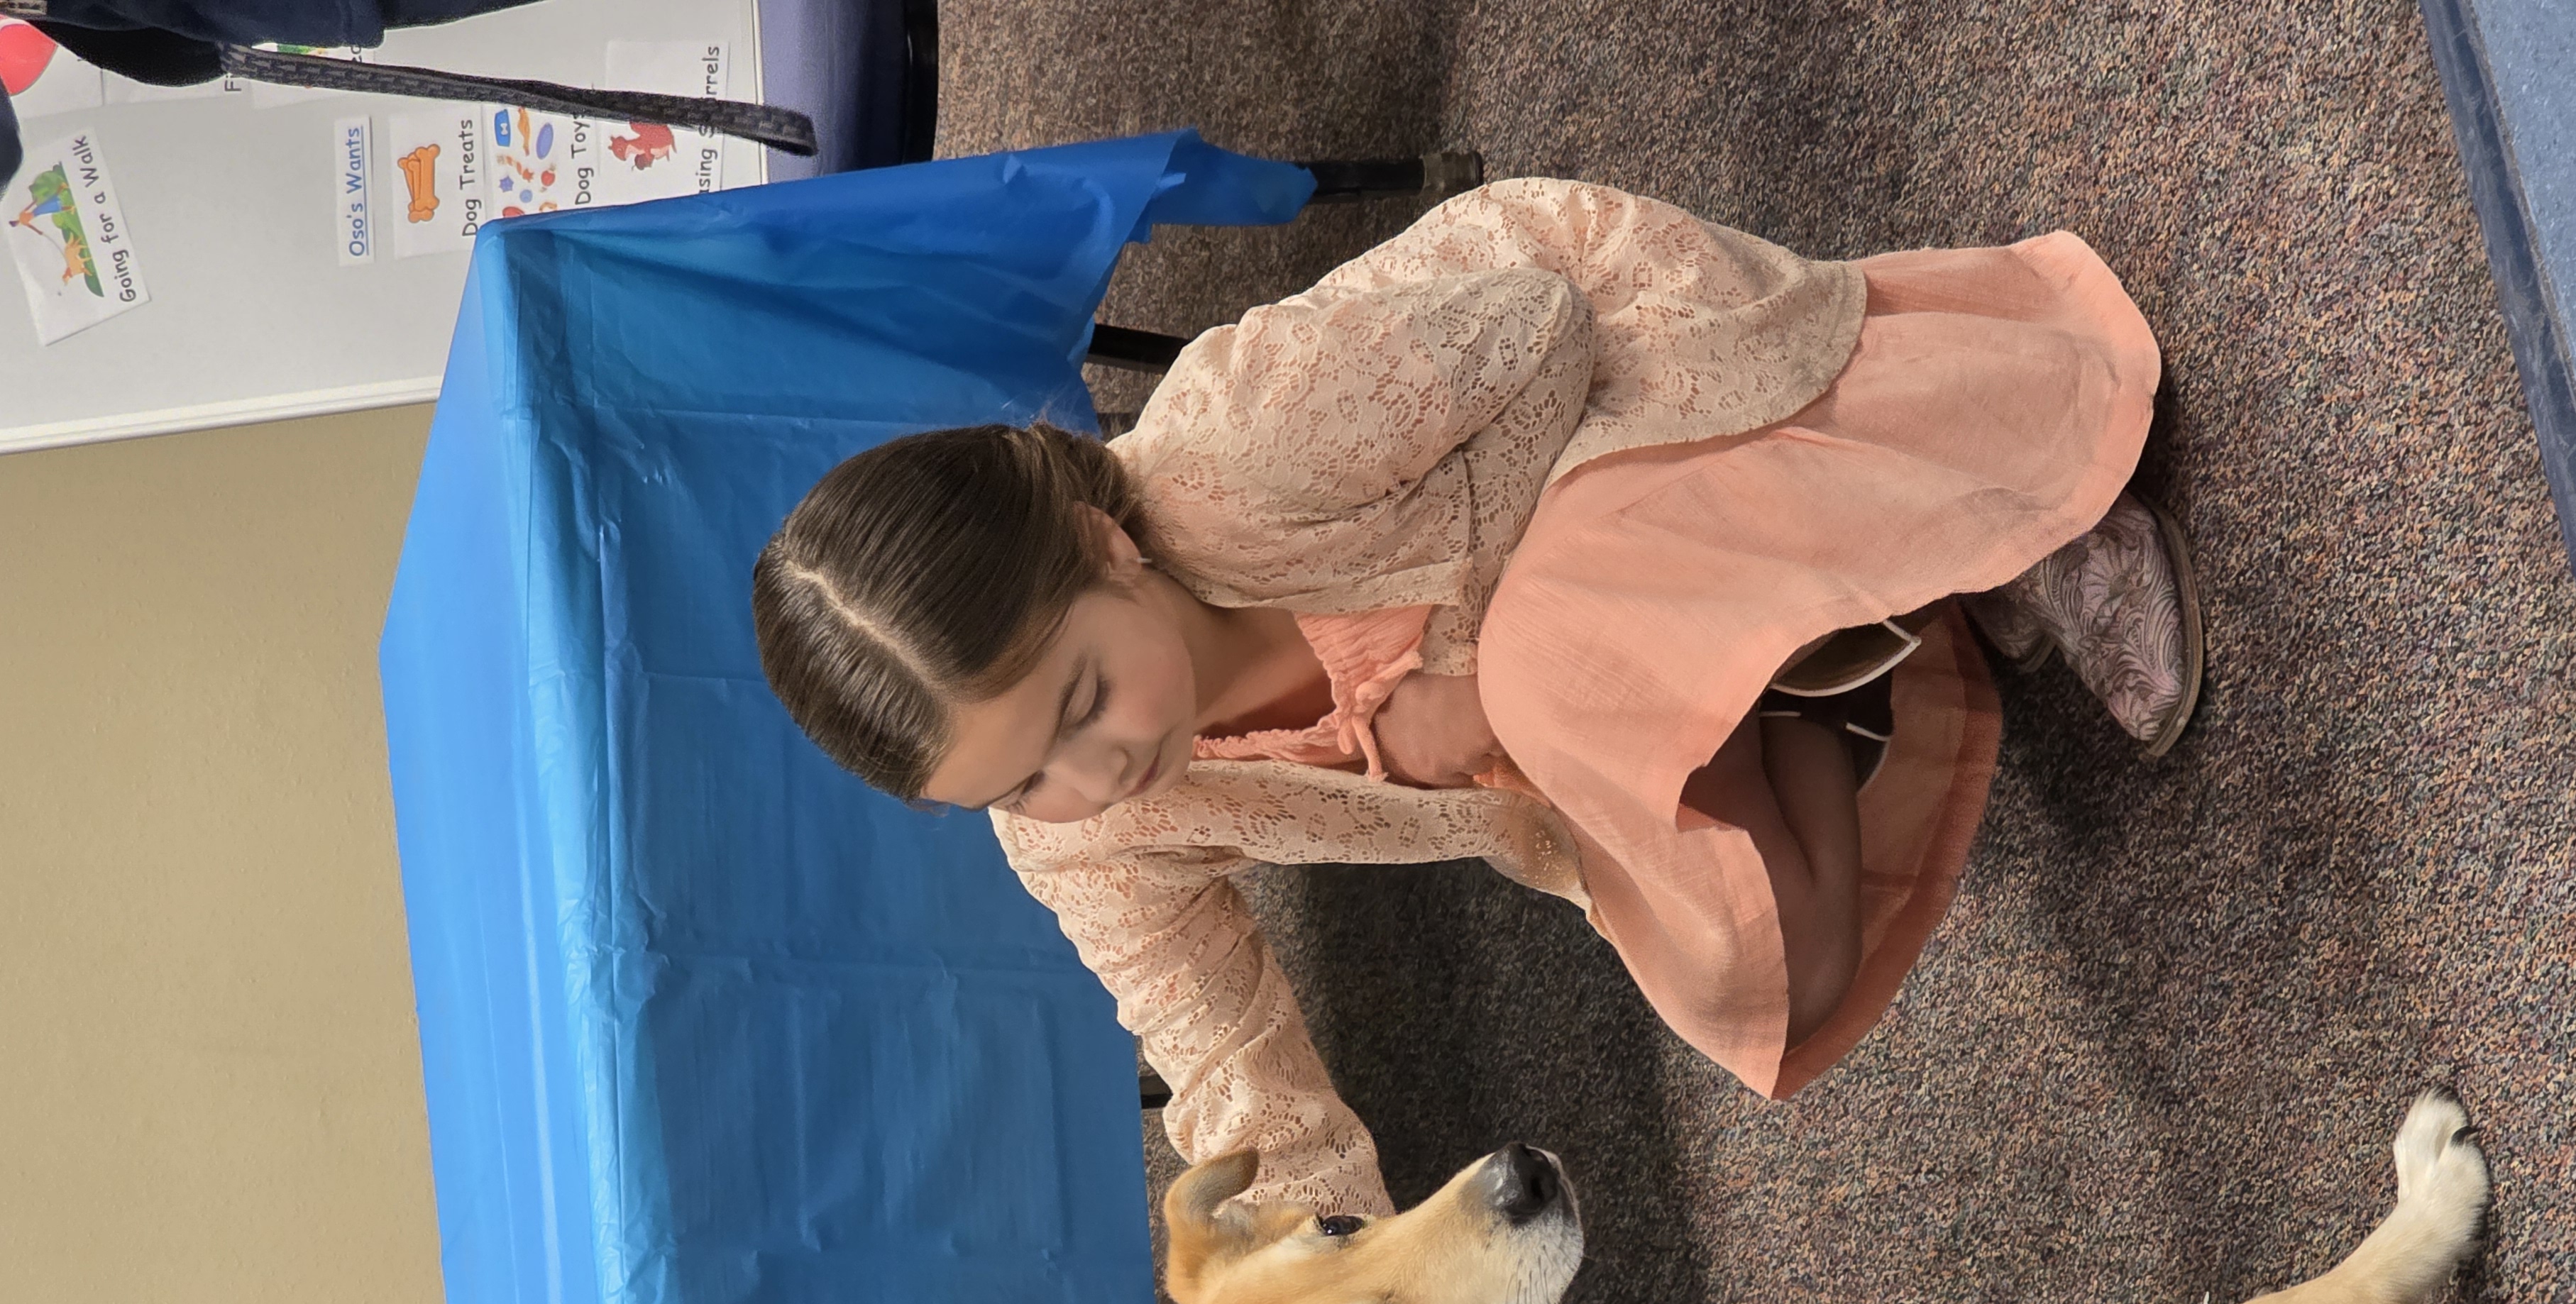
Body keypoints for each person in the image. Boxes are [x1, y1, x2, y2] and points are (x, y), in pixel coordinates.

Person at [753, 178, 2199, 1216]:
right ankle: (1860, 624)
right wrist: (1319, 1276)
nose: (1095, 774)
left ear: (1101, 543)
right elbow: (1223, 1053)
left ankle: (2004, 507)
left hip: (1611, 378)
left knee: (1541, 673)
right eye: (1019, 783)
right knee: (1777, 977)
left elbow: (1545, 330)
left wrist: (1461, 672)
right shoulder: (1078, 830)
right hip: (1558, 645)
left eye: (1078, 700)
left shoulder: (1240, 444)